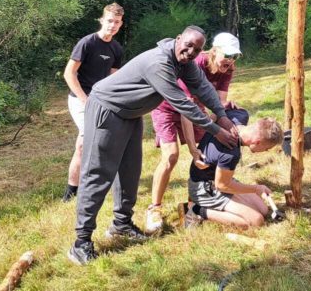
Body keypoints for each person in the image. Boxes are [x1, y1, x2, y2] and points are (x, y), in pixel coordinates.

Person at [69, 26, 240, 266]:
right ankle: (81, 242)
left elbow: (202, 87)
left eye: (196, 49)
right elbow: (182, 103)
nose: (191, 52)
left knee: (130, 171)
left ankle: (121, 224)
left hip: (130, 114)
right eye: (188, 45)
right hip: (106, 110)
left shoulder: (185, 62)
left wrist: (221, 115)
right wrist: (216, 131)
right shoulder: (158, 62)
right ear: (178, 38)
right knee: (98, 174)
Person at [146, 32, 242, 233]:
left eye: (235, 56)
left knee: (207, 153)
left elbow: (218, 103)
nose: (231, 61)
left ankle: (193, 206)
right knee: (171, 156)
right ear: (214, 51)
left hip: (197, 113)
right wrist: (191, 148)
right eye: (227, 55)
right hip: (168, 108)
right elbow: (185, 109)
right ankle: (154, 208)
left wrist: (223, 112)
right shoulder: (195, 63)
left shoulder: (227, 68)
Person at [61, 3, 125, 203]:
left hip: (100, 101)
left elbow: (112, 80)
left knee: (104, 141)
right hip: (79, 99)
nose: (112, 26)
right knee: (83, 142)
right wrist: (85, 100)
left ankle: (100, 183)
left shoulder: (116, 48)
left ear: (121, 24)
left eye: (116, 22)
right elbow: (69, 74)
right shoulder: (87, 43)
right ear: (102, 20)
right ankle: (71, 192)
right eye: (109, 21)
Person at [184, 108, 282, 229]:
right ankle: (198, 210)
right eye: (266, 148)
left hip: (218, 178)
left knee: (263, 209)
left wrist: (224, 105)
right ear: (257, 142)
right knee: (257, 221)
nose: (265, 151)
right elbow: (222, 186)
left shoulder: (240, 116)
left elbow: (223, 106)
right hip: (204, 188)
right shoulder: (231, 152)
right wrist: (256, 188)